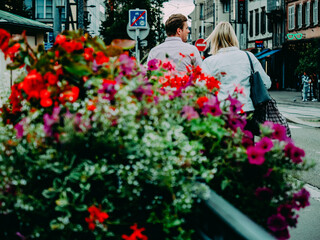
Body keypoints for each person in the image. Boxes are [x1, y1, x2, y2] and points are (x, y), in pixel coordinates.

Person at [201, 22, 271, 136]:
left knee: (225, 149)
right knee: (246, 149)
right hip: (246, 112)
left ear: (215, 39)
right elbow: (267, 83)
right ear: (234, 37)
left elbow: (201, 89)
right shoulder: (248, 56)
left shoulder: (209, 62)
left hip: (221, 114)